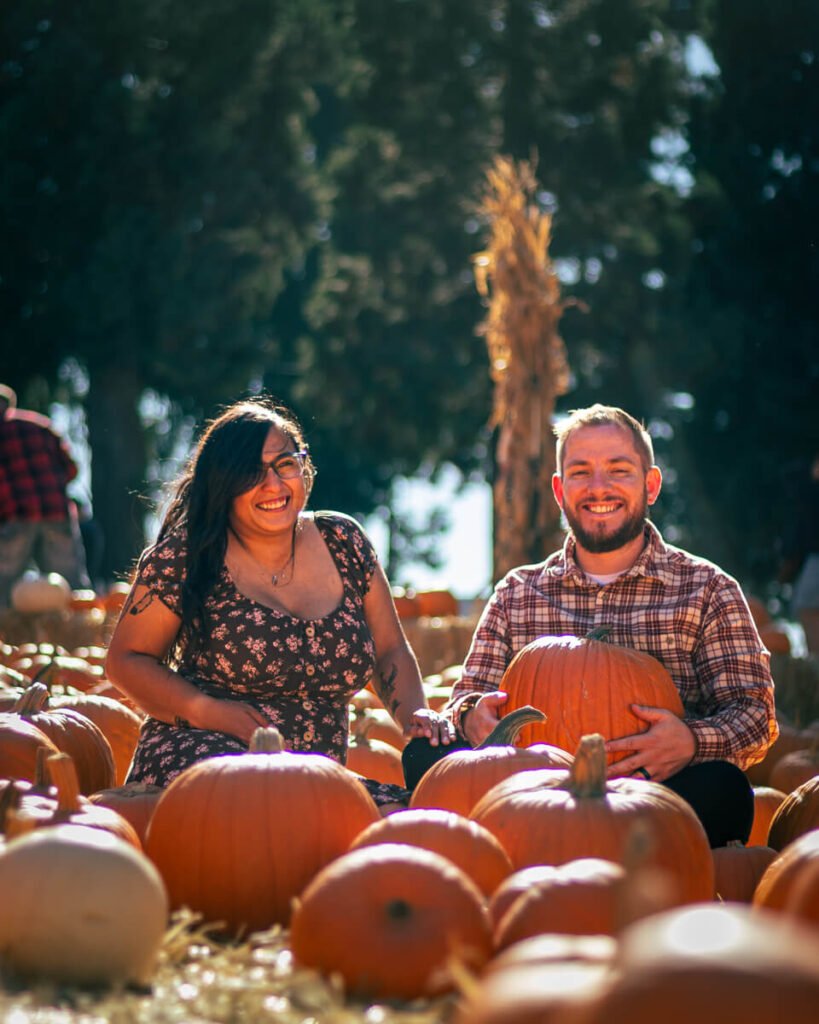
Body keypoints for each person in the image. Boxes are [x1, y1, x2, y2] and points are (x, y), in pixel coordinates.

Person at [403, 404, 778, 847]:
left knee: (723, 790)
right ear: (560, 491)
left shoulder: (707, 589)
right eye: (581, 473)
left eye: (618, 471)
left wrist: (691, 742)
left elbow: (754, 714)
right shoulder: (518, 593)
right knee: (425, 756)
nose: (599, 488)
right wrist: (472, 719)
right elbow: (467, 697)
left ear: (651, 485)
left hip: (647, 797)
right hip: (530, 798)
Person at [104, 397, 454, 811]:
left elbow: (389, 649)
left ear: (302, 468)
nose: (272, 485)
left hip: (313, 776)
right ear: (222, 483)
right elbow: (126, 659)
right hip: (203, 762)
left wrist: (418, 717)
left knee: (411, 820)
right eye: (251, 472)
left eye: (284, 464)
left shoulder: (344, 542)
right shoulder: (188, 557)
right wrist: (207, 711)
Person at [0, 383, 90, 608]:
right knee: (71, 584)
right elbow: (71, 468)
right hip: (56, 510)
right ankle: (83, 634)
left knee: (4, 584)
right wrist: (51, 487)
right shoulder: (39, 424)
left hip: (16, 514)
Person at [779, 452, 819, 656]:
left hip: (816, 558)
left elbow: (799, 535)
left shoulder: (807, 496)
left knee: (806, 606)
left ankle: (816, 658)